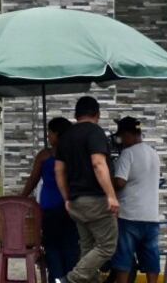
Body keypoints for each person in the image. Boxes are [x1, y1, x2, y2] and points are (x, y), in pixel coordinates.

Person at [55, 96, 120, 283]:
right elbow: (98, 163)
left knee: (88, 247)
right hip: (96, 201)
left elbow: (59, 170)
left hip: (76, 202)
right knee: (107, 246)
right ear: (97, 114)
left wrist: (66, 198)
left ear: (76, 115)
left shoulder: (66, 136)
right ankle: (70, 280)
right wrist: (111, 196)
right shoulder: (95, 132)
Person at [21, 117, 80, 283]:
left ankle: (57, 279)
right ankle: (69, 278)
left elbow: (33, 180)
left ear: (57, 134)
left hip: (49, 208)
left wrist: (22, 198)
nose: (48, 136)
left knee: (52, 246)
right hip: (70, 206)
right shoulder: (74, 155)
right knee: (69, 245)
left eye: (50, 133)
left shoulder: (45, 155)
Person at [111, 116, 162, 283]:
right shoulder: (153, 153)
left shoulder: (128, 153)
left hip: (129, 217)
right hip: (151, 217)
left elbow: (120, 181)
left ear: (128, 134)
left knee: (124, 260)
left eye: (121, 137)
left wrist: (106, 180)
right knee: (151, 259)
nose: (121, 141)